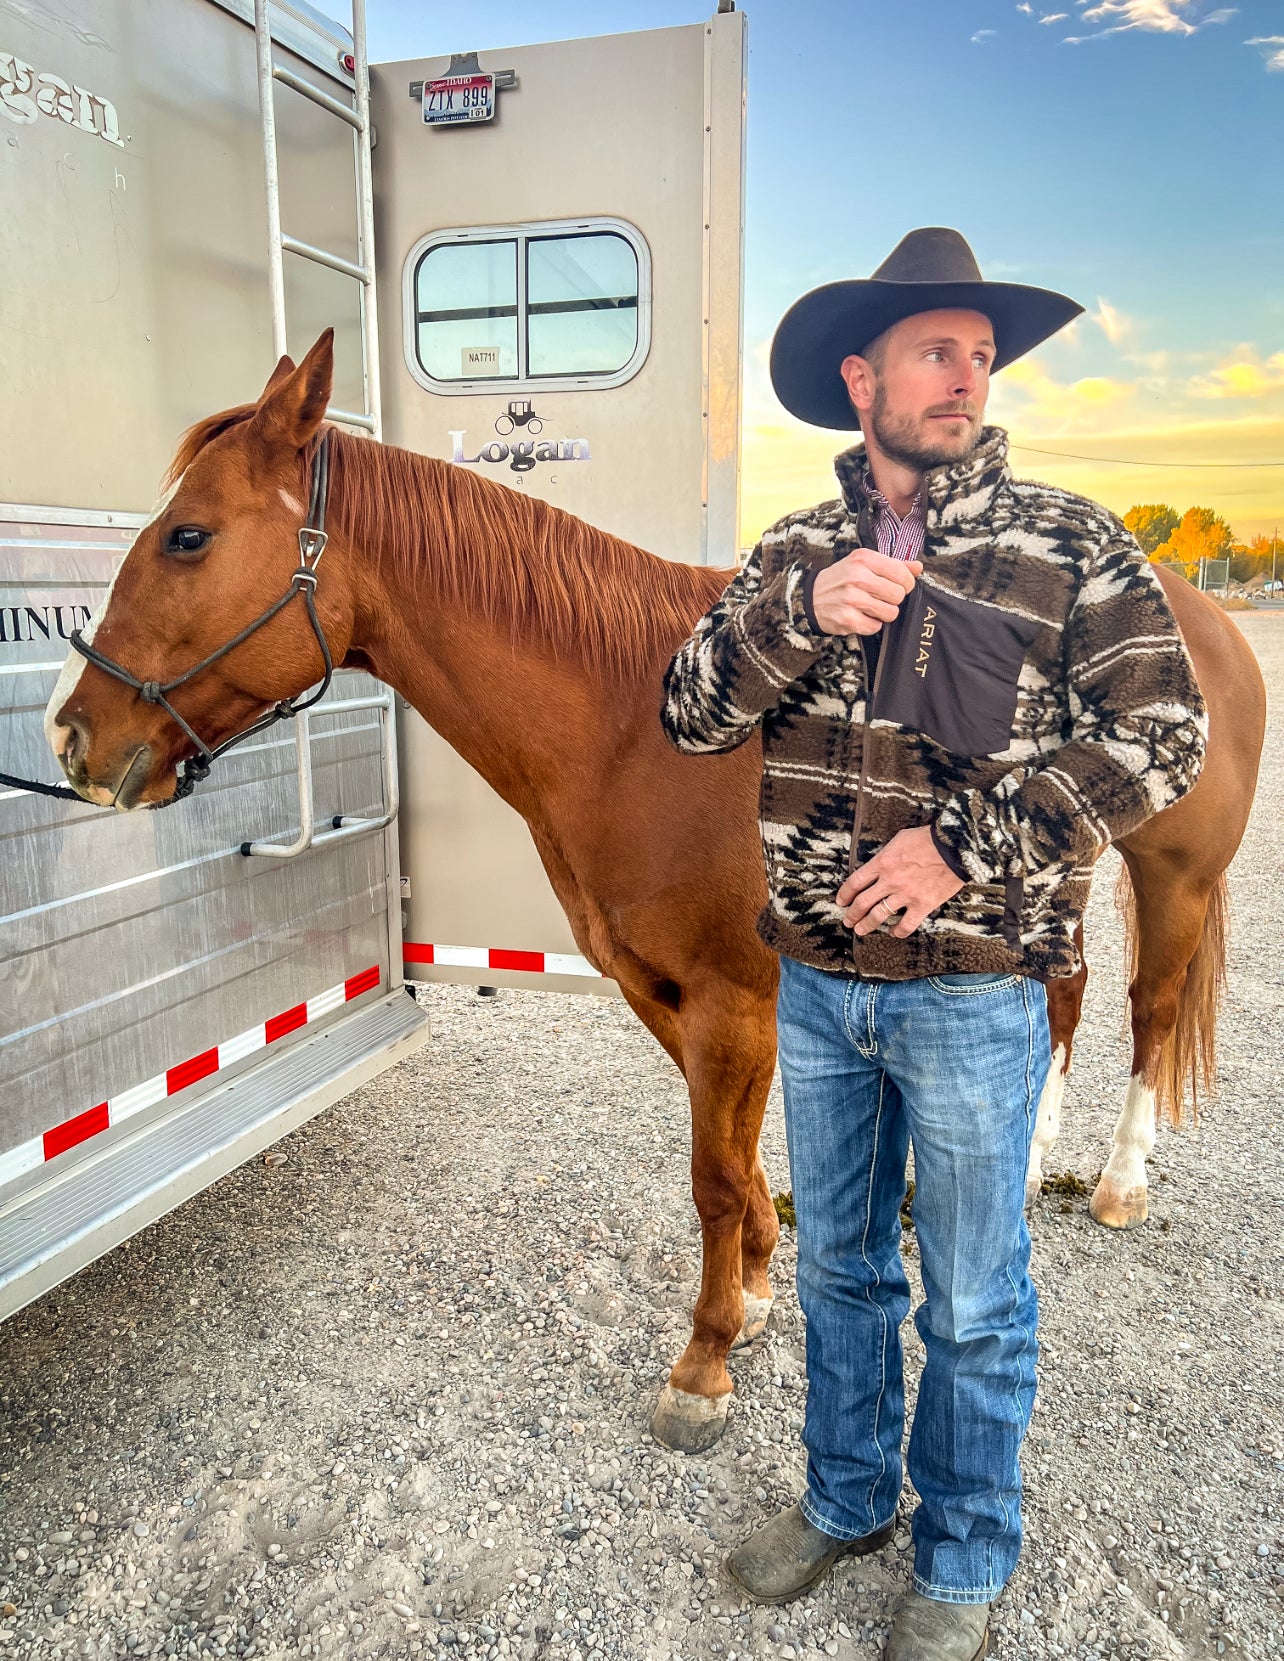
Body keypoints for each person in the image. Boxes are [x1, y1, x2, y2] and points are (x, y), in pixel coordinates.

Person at [660, 227, 1207, 1660]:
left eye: (981, 353)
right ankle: (847, 1500)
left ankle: (963, 1556)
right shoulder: (794, 551)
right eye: (935, 352)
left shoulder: (1070, 546)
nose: (968, 376)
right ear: (863, 379)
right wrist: (796, 619)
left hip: (976, 992)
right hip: (819, 988)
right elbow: (688, 714)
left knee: (973, 1300)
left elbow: (1165, 736)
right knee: (839, 1271)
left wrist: (963, 846)